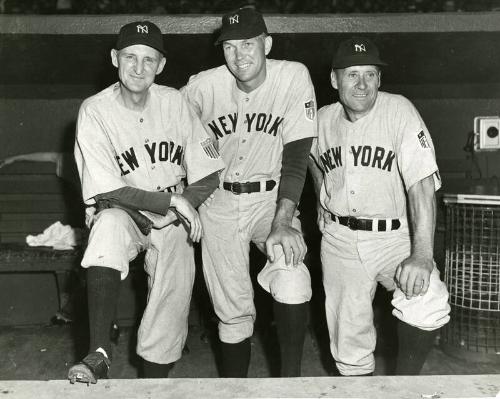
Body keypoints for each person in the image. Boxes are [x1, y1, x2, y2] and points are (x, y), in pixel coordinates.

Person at [67, 20, 225, 384]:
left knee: (169, 308)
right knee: (105, 229)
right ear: (114, 58)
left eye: (149, 60)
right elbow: (108, 189)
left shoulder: (176, 102)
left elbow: (210, 171)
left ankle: (153, 384)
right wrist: (173, 200)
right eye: (130, 57)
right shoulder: (94, 110)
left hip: (173, 220)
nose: (139, 68)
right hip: (123, 211)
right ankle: (97, 353)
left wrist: (184, 201)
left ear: (162, 65)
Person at [181, 6, 317, 377]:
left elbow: (296, 158)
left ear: (267, 44)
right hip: (218, 202)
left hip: (269, 199)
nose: (239, 55)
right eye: (229, 47)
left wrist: (285, 220)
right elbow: (165, 126)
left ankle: (290, 385)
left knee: (292, 275)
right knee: (232, 311)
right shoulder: (202, 86)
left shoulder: (292, 77)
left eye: (248, 44)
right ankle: (235, 391)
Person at [308, 36, 451, 376]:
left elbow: (422, 185)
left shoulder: (398, 110)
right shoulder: (322, 119)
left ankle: (403, 387)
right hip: (340, 239)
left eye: (370, 74)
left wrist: (421, 255)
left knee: (427, 298)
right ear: (334, 80)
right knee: (348, 343)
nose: (362, 84)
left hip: (393, 238)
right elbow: (311, 160)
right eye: (352, 74)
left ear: (380, 79)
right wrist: (320, 198)